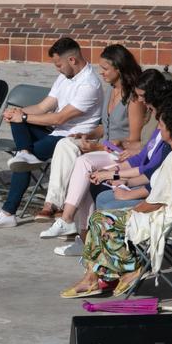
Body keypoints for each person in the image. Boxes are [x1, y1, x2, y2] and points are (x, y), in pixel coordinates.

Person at [51, 76, 172, 256]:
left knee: (103, 207)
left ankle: (106, 259)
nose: (157, 126)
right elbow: (152, 171)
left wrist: (127, 207)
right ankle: (93, 252)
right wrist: (117, 177)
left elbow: (158, 194)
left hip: (165, 219)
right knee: (100, 192)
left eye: (160, 122)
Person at [60, 99, 172, 299]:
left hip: (165, 222)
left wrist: (132, 211)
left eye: (162, 126)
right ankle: (98, 276)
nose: (159, 130)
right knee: (104, 218)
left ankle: (122, 270)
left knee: (99, 219)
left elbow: (156, 202)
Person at [0, 37, 103, 229]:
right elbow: (43, 106)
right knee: (19, 120)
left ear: (72, 60)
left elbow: (59, 118)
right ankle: (25, 153)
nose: (57, 69)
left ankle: (8, 211)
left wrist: (25, 117)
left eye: (58, 64)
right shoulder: (64, 77)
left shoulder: (89, 84)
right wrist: (17, 113)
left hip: (71, 139)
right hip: (54, 133)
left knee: (21, 160)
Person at [36, 44, 147, 225]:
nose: (101, 73)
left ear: (119, 69)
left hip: (122, 153)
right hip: (105, 146)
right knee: (66, 143)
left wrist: (96, 146)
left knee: (82, 162)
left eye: (105, 68)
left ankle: (66, 215)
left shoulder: (134, 98)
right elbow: (105, 126)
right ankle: (55, 205)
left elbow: (133, 141)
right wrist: (87, 134)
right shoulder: (111, 89)